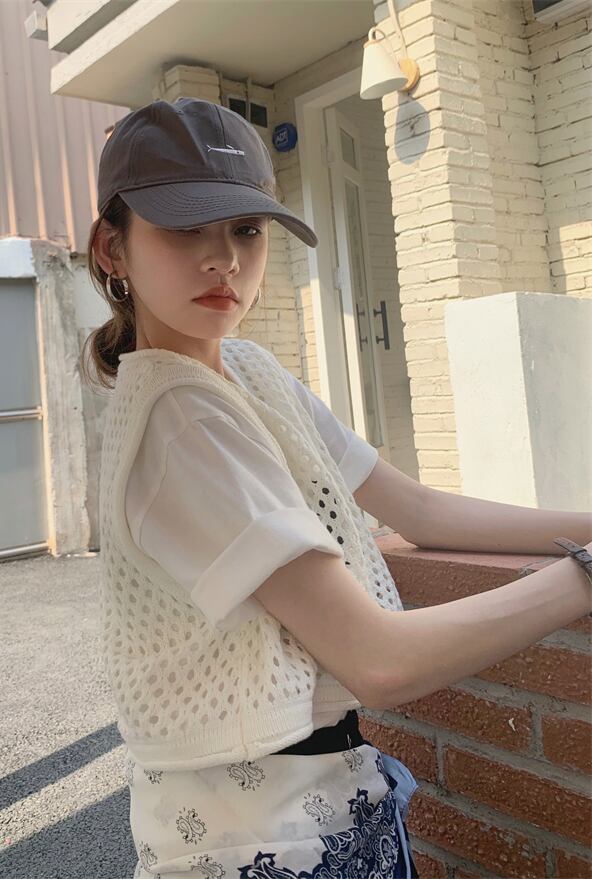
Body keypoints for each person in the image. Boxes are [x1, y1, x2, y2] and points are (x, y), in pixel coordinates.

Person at [80, 97, 592, 879]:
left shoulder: (246, 370)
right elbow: (377, 660)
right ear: (112, 248)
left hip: (327, 805)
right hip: (256, 840)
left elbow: (418, 508)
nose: (225, 259)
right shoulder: (177, 423)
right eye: (186, 228)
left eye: (246, 229)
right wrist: (582, 576)